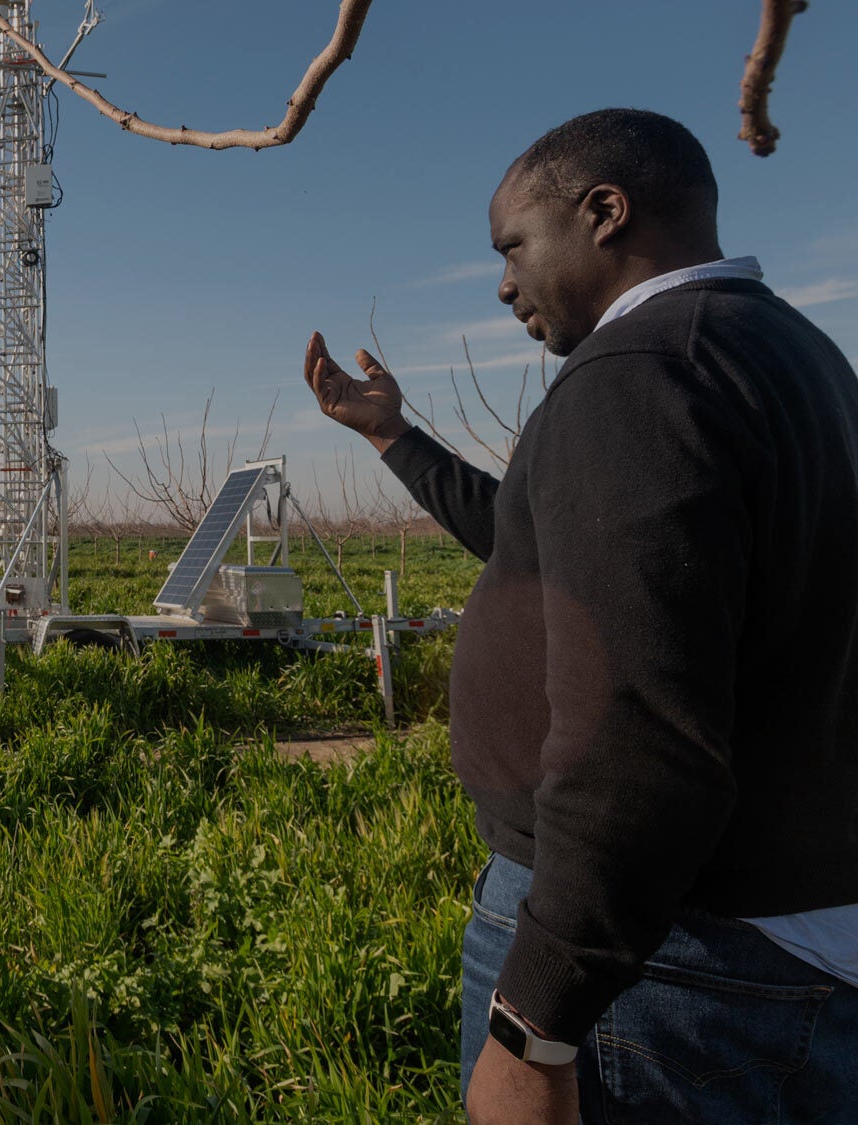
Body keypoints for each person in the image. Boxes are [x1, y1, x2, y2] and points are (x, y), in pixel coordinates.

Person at [305, 108, 858, 1123]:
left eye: (512, 246)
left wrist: (537, 1019)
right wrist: (394, 439)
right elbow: (555, 562)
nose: (503, 283)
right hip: (769, 928)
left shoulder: (637, 378)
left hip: (668, 965)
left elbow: (638, 736)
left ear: (603, 212)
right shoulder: (788, 355)